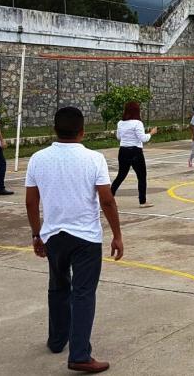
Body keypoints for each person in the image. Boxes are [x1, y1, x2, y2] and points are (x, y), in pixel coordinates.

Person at [24, 107, 124, 373]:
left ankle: (57, 340)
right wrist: (117, 234)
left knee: (57, 287)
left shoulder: (38, 158)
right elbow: (107, 199)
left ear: (54, 130)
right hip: (86, 237)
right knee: (83, 293)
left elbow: (31, 201)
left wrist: (37, 233)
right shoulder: (94, 159)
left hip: (54, 235)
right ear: (82, 131)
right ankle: (80, 354)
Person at [111, 102, 158, 208]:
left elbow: (119, 137)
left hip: (123, 150)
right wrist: (151, 133)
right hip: (135, 151)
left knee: (121, 175)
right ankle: (142, 201)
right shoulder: (137, 123)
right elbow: (143, 138)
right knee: (141, 176)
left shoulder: (120, 123)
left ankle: (110, 197)